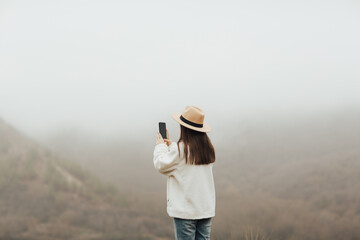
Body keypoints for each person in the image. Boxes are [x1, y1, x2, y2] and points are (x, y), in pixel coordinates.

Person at [153, 105, 216, 240]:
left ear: (184, 128)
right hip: (205, 210)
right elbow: (186, 163)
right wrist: (171, 146)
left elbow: (161, 164)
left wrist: (160, 146)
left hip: (186, 212)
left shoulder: (180, 150)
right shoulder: (207, 149)